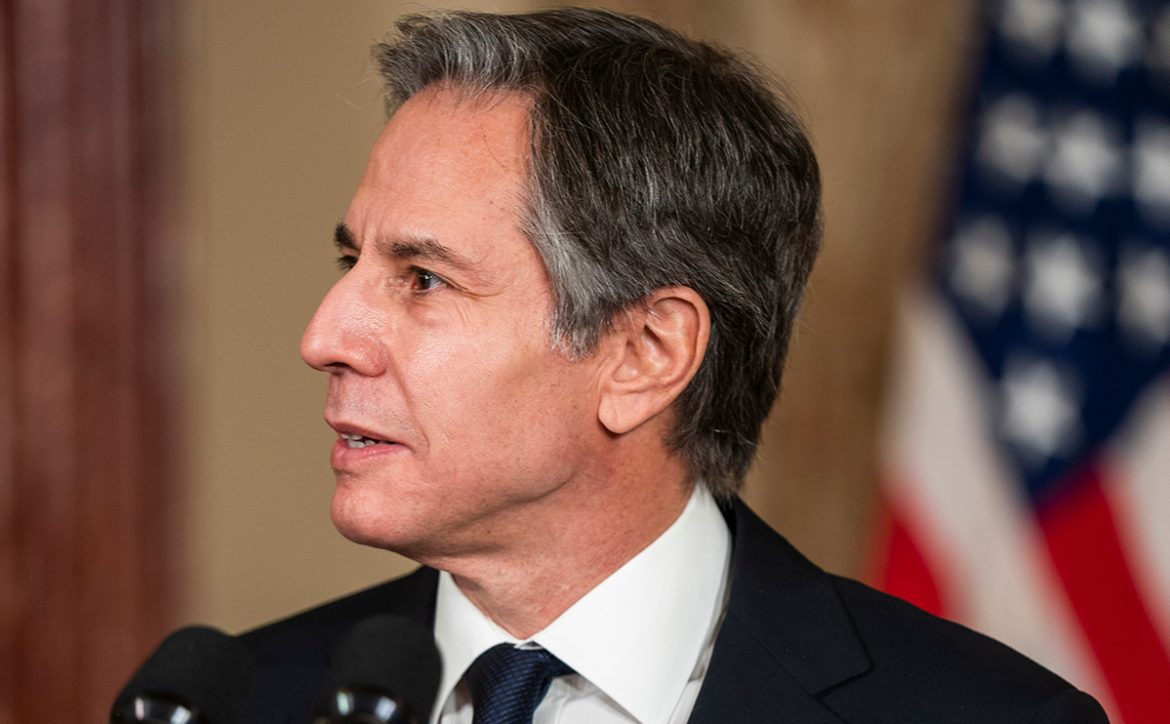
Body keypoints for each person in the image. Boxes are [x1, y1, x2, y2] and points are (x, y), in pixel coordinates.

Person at [240, 8, 1107, 723]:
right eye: (351, 261)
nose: (325, 337)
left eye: (424, 279)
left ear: (646, 354)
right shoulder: (240, 699)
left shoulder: (991, 714)